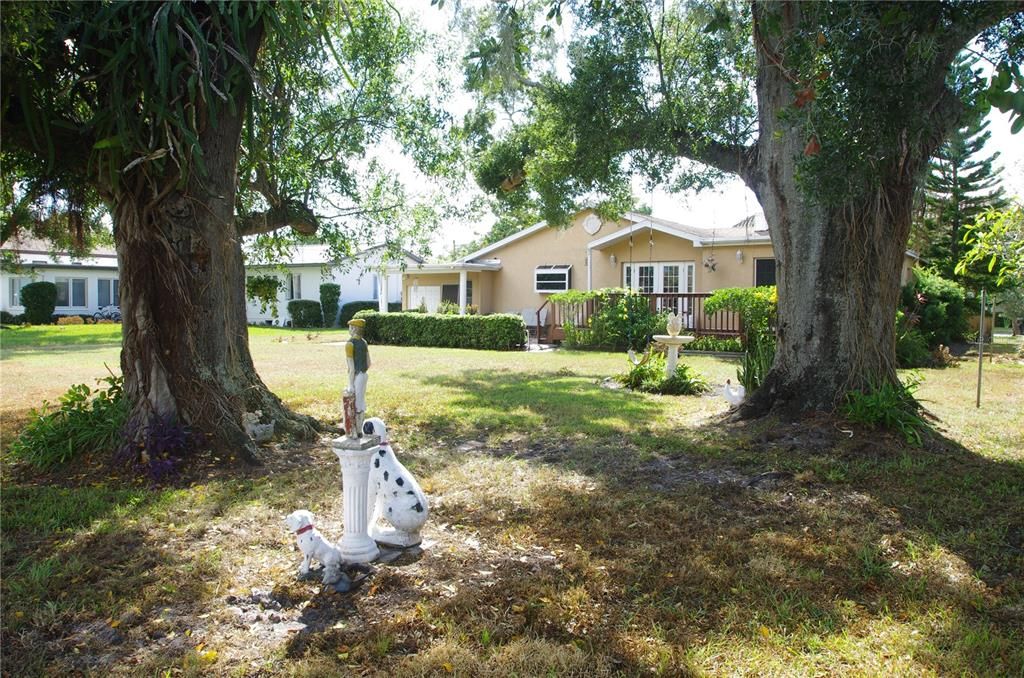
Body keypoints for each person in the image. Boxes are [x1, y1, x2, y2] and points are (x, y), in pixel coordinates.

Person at [345, 318, 371, 435]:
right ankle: (359, 428)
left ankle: (356, 430)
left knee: (356, 404)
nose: (349, 330)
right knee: (361, 401)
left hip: (357, 376)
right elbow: (369, 362)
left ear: (354, 329)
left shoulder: (350, 344)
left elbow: (351, 368)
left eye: (350, 327)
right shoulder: (364, 342)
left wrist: (350, 384)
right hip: (364, 375)